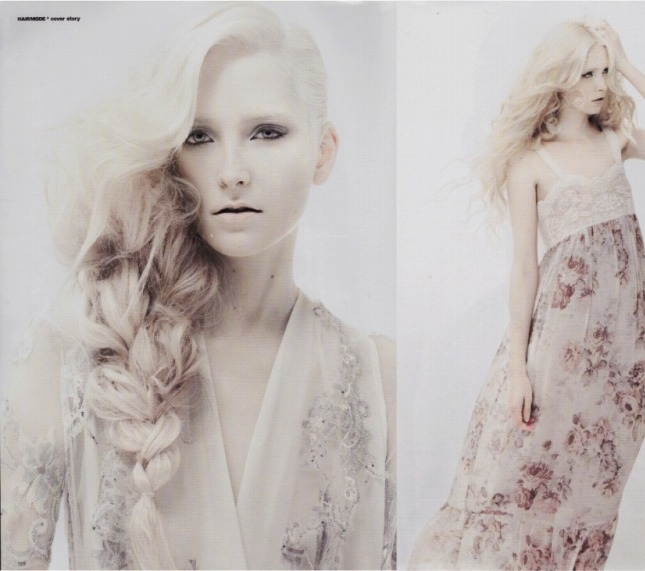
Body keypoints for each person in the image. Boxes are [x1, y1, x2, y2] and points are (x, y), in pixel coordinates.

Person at [0, 4, 395, 570]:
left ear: (323, 151)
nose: (232, 171)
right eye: (199, 136)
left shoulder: (376, 375)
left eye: (267, 132)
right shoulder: (74, 350)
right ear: (169, 155)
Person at [408, 19, 645, 570]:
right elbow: (524, 270)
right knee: (519, 465)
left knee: (593, 475)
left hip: (622, 350)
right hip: (559, 345)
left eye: (605, 72)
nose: (600, 84)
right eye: (587, 73)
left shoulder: (616, 140)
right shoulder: (530, 163)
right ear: (559, 79)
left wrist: (629, 64)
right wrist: (519, 370)